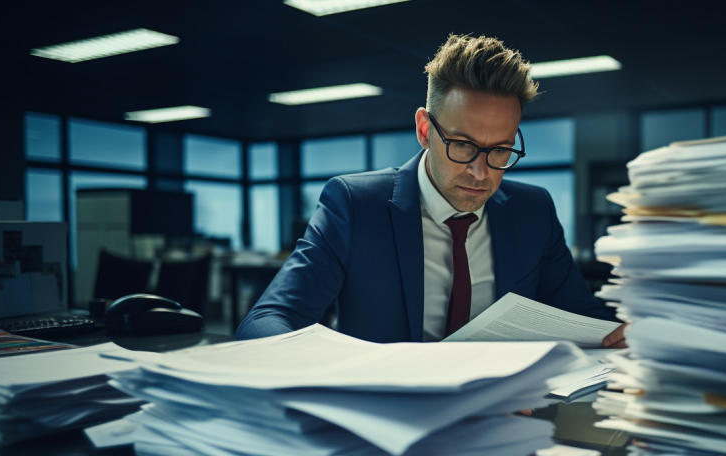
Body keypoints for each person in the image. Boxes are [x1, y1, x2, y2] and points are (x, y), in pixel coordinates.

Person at [236, 34, 627, 348]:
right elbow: (266, 321)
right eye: (462, 145)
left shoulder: (532, 211)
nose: (480, 172)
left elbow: (585, 317)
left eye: (501, 150)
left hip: (504, 418)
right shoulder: (356, 205)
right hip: (385, 417)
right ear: (425, 130)